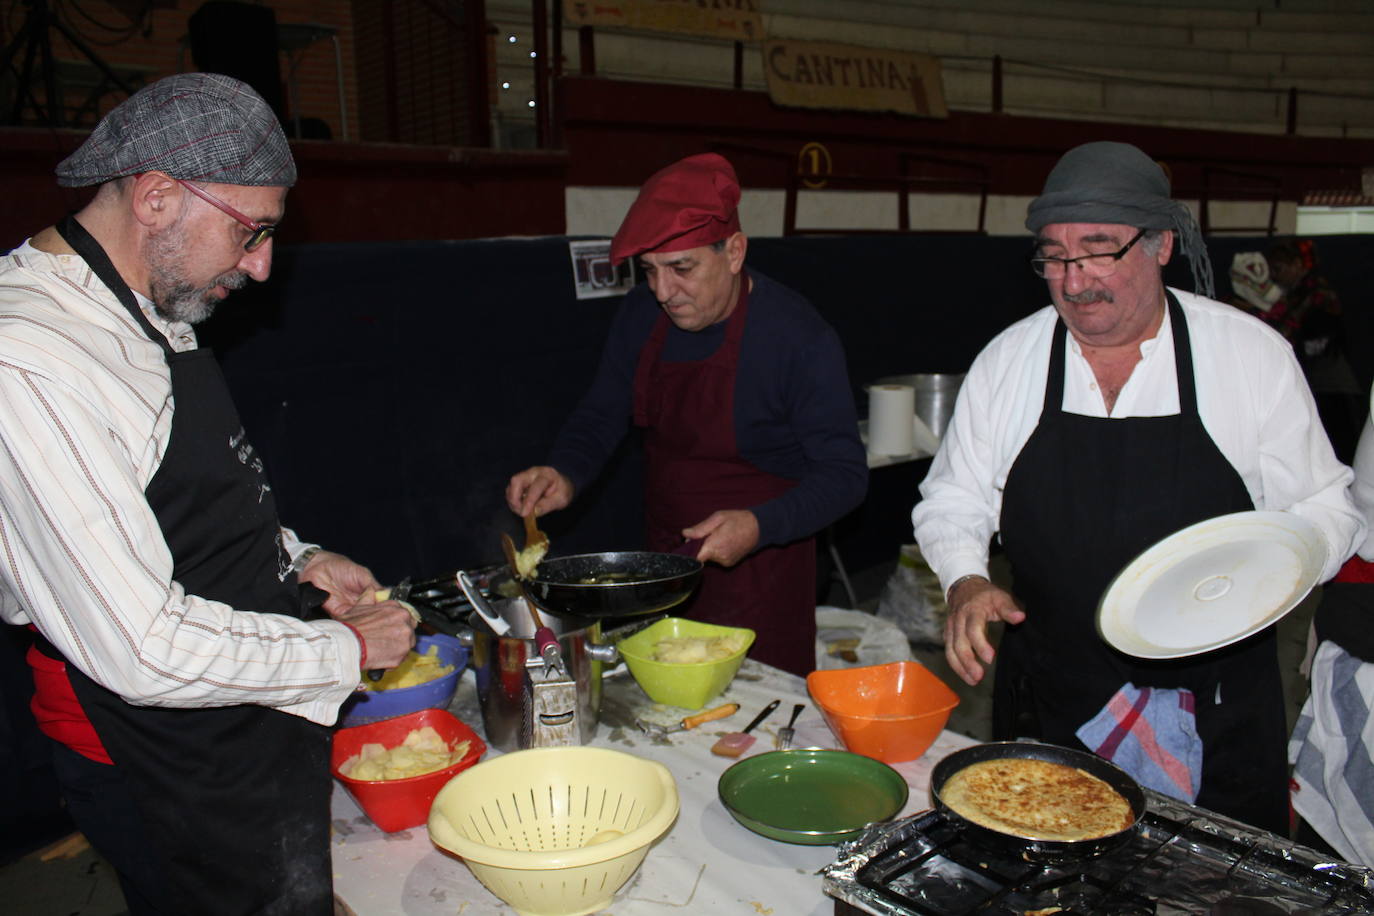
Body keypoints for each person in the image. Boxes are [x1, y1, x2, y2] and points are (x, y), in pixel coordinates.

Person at [0, 74, 417, 915]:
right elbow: (140, 646)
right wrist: (342, 652)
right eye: (250, 232)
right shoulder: (30, 360)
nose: (261, 267)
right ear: (156, 197)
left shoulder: (155, 306)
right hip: (153, 753)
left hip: (231, 715)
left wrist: (298, 559)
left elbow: (178, 501)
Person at [912, 141, 1362, 835]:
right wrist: (966, 579)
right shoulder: (1010, 361)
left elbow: (1328, 505)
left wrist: (1276, 574)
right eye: (1055, 255)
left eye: (1098, 250)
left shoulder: (1247, 357)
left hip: (1215, 704)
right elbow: (953, 499)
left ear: (1160, 246)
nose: (1074, 278)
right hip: (1054, 697)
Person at [506, 153, 867, 677]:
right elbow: (604, 411)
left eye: (682, 268)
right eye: (649, 271)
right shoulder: (641, 317)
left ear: (735, 252)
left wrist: (759, 525)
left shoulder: (798, 339)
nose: (663, 292)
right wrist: (566, 471)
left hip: (762, 572)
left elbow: (846, 477)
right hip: (664, 562)